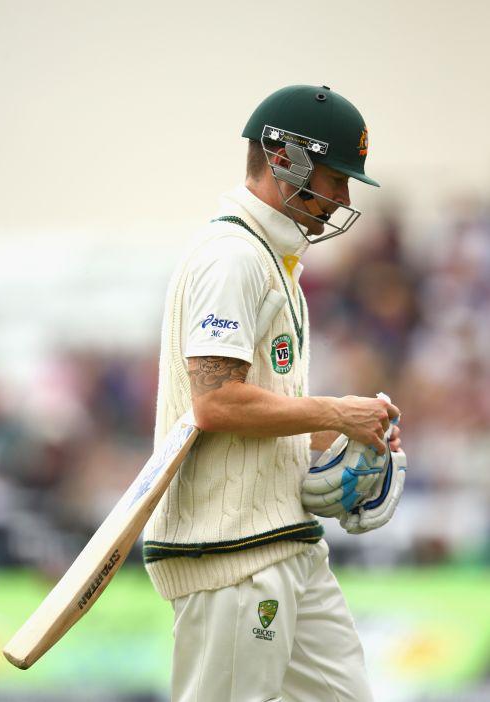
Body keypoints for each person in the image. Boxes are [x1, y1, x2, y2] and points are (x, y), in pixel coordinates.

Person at [143, 84, 402, 701]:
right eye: (336, 176)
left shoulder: (272, 261)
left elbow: (258, 412)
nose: (340, 199)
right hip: (230, 550)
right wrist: (337, 410)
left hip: (288, 541)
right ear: (286, 158)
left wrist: (349, 429)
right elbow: (216, 403)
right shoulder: (231, 258)